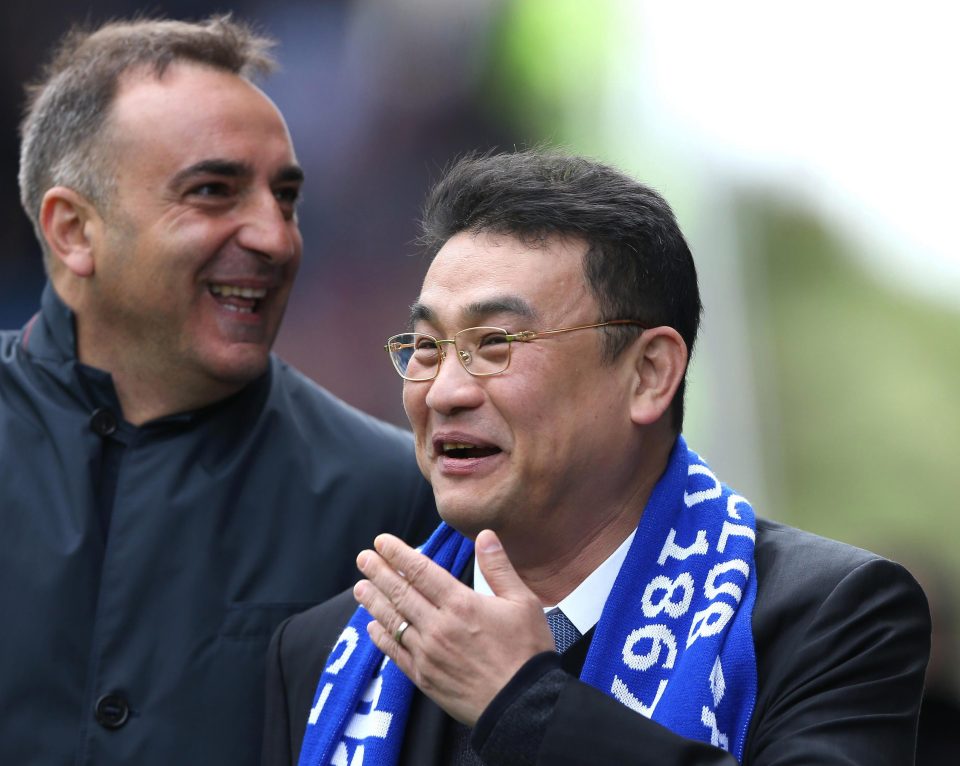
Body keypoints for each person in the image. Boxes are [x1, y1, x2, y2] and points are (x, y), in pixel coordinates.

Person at [262, 150, 931, 765]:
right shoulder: (330, 651)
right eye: (428, 346)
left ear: (648, 374)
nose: (443, 391)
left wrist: (524, 706)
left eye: (494, 343)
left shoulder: (826, 617)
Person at [0, 16, 437, 766]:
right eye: (212, 191)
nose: (276, 237)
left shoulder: (391, 500)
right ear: (73, 231)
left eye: (287, 198)